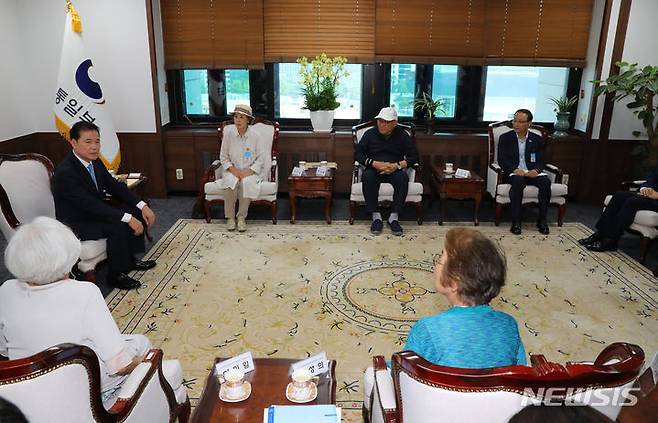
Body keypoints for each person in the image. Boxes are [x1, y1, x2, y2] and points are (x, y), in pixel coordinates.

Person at [0, 217, 176, 409]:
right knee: (141, 342)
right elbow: (121, 365)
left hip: (28, 384)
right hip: (81, 383)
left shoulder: (6, 290)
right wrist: (147, 362)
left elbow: (3, 349)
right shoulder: (83, 292)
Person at [52, 121, 156, 290]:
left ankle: (130, 260)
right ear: (74, 143)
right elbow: (89, 204)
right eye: (88, 142)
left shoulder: (94, 161)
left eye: (97, 141)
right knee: (119, 224)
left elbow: (114, 186)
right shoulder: (66, 172)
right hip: (76, 221)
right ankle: (116, 275)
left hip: (93, 212)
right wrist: (127, 218)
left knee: (133, 212)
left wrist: (142, 205)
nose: (94, 147)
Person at [404, 227, 527, 367]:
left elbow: (405, 372)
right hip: (495, 388)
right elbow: (521, 371)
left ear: (454, 282)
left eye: (440, 258)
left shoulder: (427, 329)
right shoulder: (509, 325)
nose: (435, 263)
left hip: (445, 389)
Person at [354, 107, 419, 236]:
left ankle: (393, 218)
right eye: (380, 121)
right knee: (368, 176)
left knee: (402, 178)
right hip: (374, 168)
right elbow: (358, 155)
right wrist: (374, 164)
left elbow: (414, 157)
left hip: (394, 168)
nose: (382, 124)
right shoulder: (370, 134)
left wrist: (397, 165)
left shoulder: (402, 135)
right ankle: (376, 217)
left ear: (394, 123)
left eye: (386, 122)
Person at [497, 109, 551, 235]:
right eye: (515, 121)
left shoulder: (536, 139)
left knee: (545, 182)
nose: (516, 124)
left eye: (521, 122)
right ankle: (516, 220)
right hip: (514, 172)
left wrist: (536, 170)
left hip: (531, 172)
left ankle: (542, 219)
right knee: (518, 181)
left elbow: (541, 160)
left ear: (529, 124)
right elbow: (502, 160)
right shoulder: (505, 138)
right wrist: (515, 170)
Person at [579, 170, 658, 251]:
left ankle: (610, 240)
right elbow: (652, 179)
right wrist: (646, 188)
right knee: (619, 195)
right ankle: (601, 233)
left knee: (631, 202)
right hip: (649, 196)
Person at [219, 104, 265, 232]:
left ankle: (241, 218)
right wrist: (235, 171)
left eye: (241, 117)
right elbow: (223, 157)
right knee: (230, 183)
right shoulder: (228, 134)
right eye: (236, 117)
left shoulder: (256, 136)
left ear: (248, 120)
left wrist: (246, 173)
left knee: (246, 183)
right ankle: (230, 218)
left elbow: (261, 159)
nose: (238, 120)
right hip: (231, 170)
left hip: (250, 172)